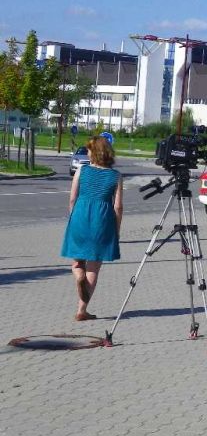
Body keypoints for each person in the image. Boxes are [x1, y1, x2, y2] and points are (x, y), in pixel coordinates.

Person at [60, 136, 123, 321]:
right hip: (102, 221)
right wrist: (116, 230)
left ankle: (78, 274)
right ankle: (82, 310)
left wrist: (73, 217)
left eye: (88, 149)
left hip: (80, 215)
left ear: (94, 152)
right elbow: (118, 207)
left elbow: (72, 198)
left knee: (77, 261)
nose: (87, 152)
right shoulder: (116, 176)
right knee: (94, 267)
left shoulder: (82, 170)